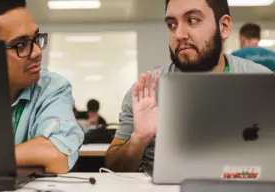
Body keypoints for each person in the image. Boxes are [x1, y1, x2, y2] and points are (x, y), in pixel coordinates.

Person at [105, 0, 271, 172]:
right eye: (171, 24)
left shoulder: (263, 83)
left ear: (224, 27)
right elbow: (114, 168)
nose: (179, 34)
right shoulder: (145, 92)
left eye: (192, 20)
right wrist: (139, 139)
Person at [0, 0, 84, 174]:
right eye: (21, 44)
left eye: (35, 38)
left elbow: (56, 154)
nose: (37, 52)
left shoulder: (52, 87)